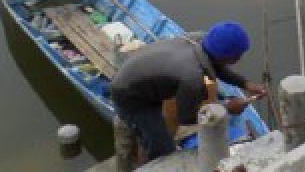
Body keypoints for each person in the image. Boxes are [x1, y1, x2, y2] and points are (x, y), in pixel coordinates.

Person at [110, 21, 268, 161]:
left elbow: (216, 66)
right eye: (238, 55)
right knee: (163, 150)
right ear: (229, 56)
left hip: (138, 79)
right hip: (130, 97)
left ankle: (143, 143)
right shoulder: (192, 78)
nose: (239, 58)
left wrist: (246, 84)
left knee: (150, 135)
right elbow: (186, 117)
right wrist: (227, 107)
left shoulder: (198, 39)